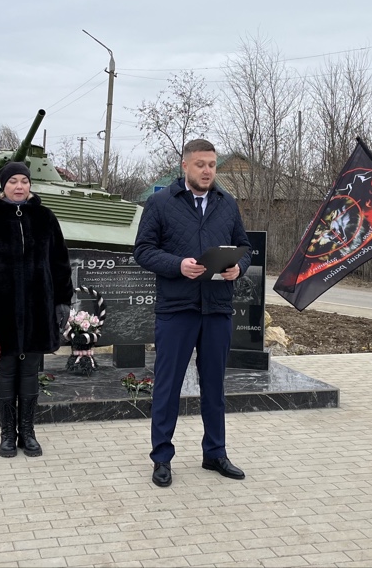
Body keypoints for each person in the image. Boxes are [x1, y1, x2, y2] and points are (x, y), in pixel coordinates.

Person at [134, 139, 251, 488]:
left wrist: (239, 268)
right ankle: (162, 458)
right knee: (167, 386)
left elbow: (244, 246)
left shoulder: (227, 203)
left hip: (217, 309)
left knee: (214, 386)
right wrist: (177, 265)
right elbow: (143, 250)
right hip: (177, 309)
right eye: (200, 164)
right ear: (185, 166)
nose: (207, 171)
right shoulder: (160, 203)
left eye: (212, 165)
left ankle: (215, 453)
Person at [0, 161, 73, 458]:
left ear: (30, 185)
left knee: (30, 372)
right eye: (13, 181)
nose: (19, 186)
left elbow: (60, 262)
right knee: (6, 370)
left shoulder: (45, 218)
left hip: (38, 307)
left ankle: (28, 432)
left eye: (24, 180)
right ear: (3, 185)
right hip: (1, 309)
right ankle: (8, 435)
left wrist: (63, 299)